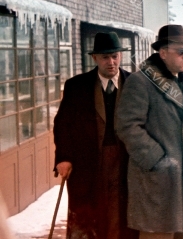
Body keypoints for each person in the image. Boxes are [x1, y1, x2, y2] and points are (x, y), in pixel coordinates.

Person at [116, 25, 183, 239]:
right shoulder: (141, 82)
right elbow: (127, 126)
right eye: (181, 52)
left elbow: (179, 122)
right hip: (158, 182)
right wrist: (158, 160)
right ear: (162, 53)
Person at [53, 32, 138, 239]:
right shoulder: (77, 86)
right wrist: (63, 157)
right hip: (87, 163)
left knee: (121, 214)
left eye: (115, 56)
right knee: (90, 217)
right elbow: (63, 124)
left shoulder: (135, 84)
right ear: (94, 58)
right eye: (105, 57)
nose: (111, 62)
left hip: (126, 162)